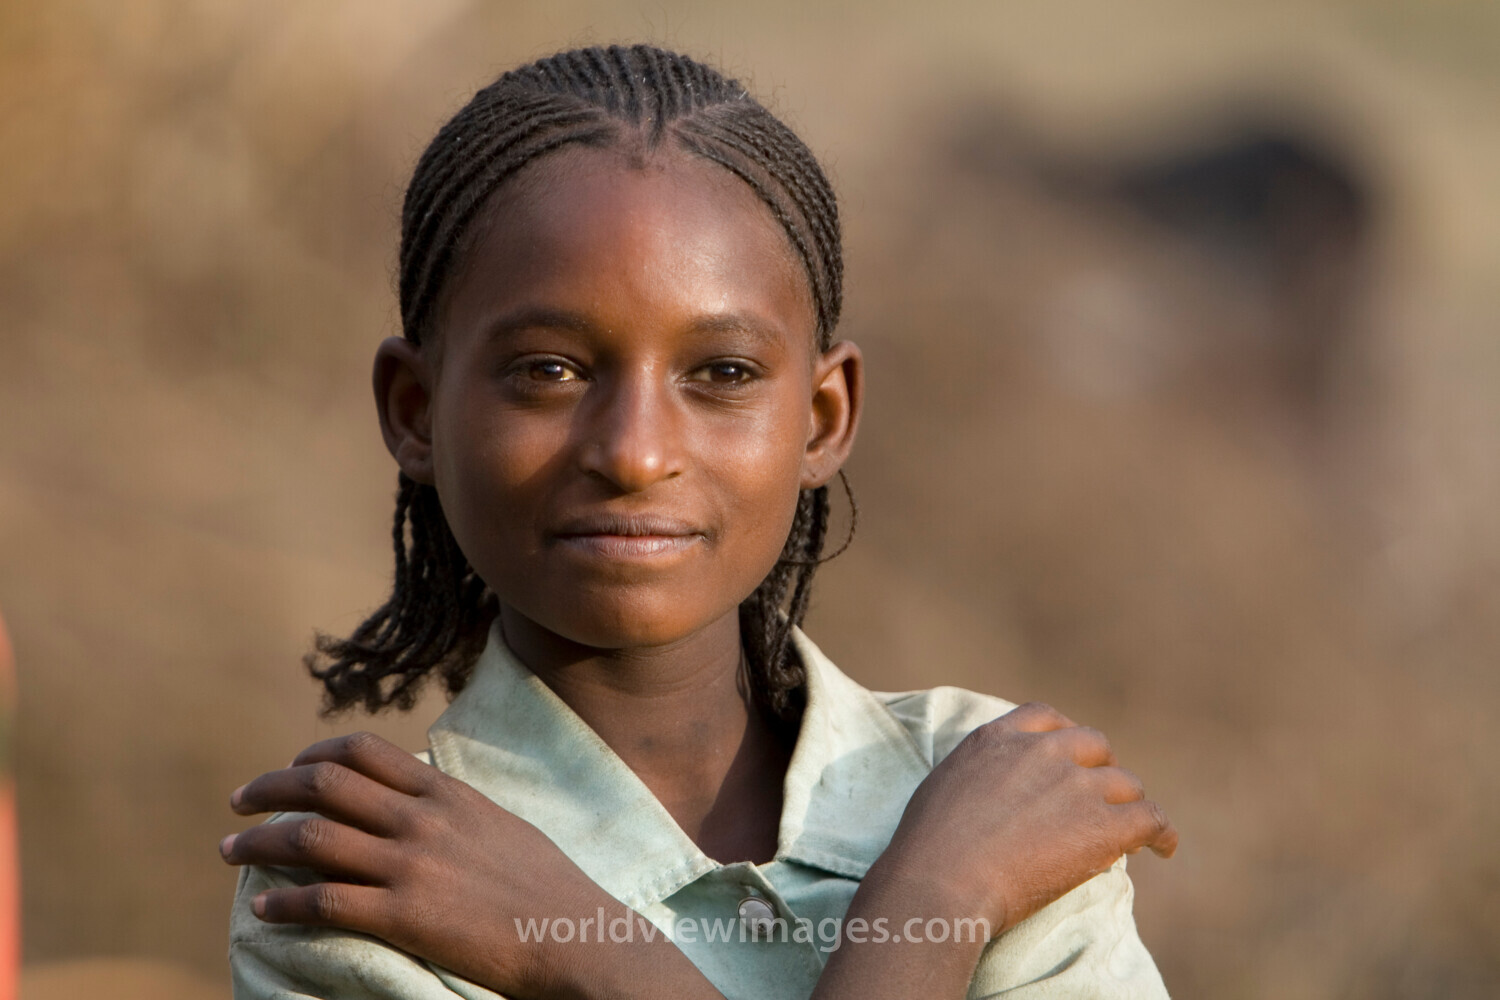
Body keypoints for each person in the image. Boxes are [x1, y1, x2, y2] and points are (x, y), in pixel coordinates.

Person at [221, 44, 1178, 999]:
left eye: (721, 374)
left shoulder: (988, 796)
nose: (635, 454)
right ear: (415, 410)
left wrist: (576, 951)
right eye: (548, 370)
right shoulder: (369, 873)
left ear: (823, 417)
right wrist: (939, 912)